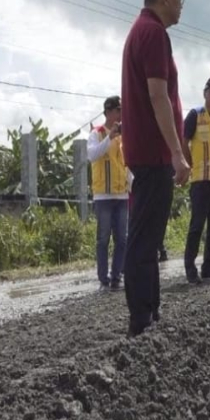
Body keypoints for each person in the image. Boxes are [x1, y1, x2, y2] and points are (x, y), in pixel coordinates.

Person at [121, 0, 193, 337]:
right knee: (145, 239)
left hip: (149, 152)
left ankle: (150, 313)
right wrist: (177, 153)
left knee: (149, 237)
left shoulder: (144, 30)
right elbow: (157, 95)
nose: (182, 5)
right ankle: (141, 319)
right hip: (152, 153)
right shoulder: (152, 33)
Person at [182, 77, 210, 283]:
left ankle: (208, 265)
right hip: (200, 180)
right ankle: (190, 266)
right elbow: (184, 141)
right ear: (205, 93)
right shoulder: (195, 115)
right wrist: (188, 164)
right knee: (197, 225)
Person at [87, 96, 130, 292]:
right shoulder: (97, 133)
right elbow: (92, 155)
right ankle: (103, 278)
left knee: (122, 239)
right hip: (103, 196)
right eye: (118, 110)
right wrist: (109, 137)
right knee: (103, 239)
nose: (120, 114)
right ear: (108, 112)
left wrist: (133, 184)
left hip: (121, 195)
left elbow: (125, 165)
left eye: (121, 110)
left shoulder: (124, 136)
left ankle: (116, 276)